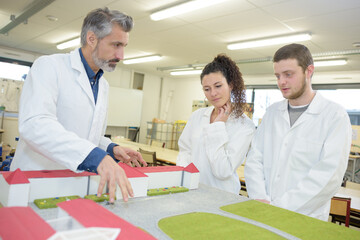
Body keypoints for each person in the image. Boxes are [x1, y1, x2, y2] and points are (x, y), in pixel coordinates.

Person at [11, 8, 146, 203]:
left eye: (124, 46)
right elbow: (35, 124)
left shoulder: (103, 84)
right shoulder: (49, 67)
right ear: (91, 39)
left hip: (74, 184)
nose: (121, 55)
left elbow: (86, 134)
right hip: (35, 182)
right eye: (116, 45)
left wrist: (110, 148)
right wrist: (95, 157)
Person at [244, 43, 352, 220]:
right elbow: (255, 159)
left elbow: (328, 176)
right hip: (263, 210)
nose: (281, 82)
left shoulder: (334, 116)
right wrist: (259, 198)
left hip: (305, 217)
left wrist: (279, 207)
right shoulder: (272, 113)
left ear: (309, 71)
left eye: (288, 74)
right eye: (278, 76)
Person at [176, 54, 255, 195]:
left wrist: (218, 126)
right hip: (191, 190)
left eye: (218, 86)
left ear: (231, 85)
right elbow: (185, 150)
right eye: (207, 89)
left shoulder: (244, 125)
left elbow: (222, 171)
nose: (213, 93)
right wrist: (186, 178)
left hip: (222, 196)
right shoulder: (198, 116)